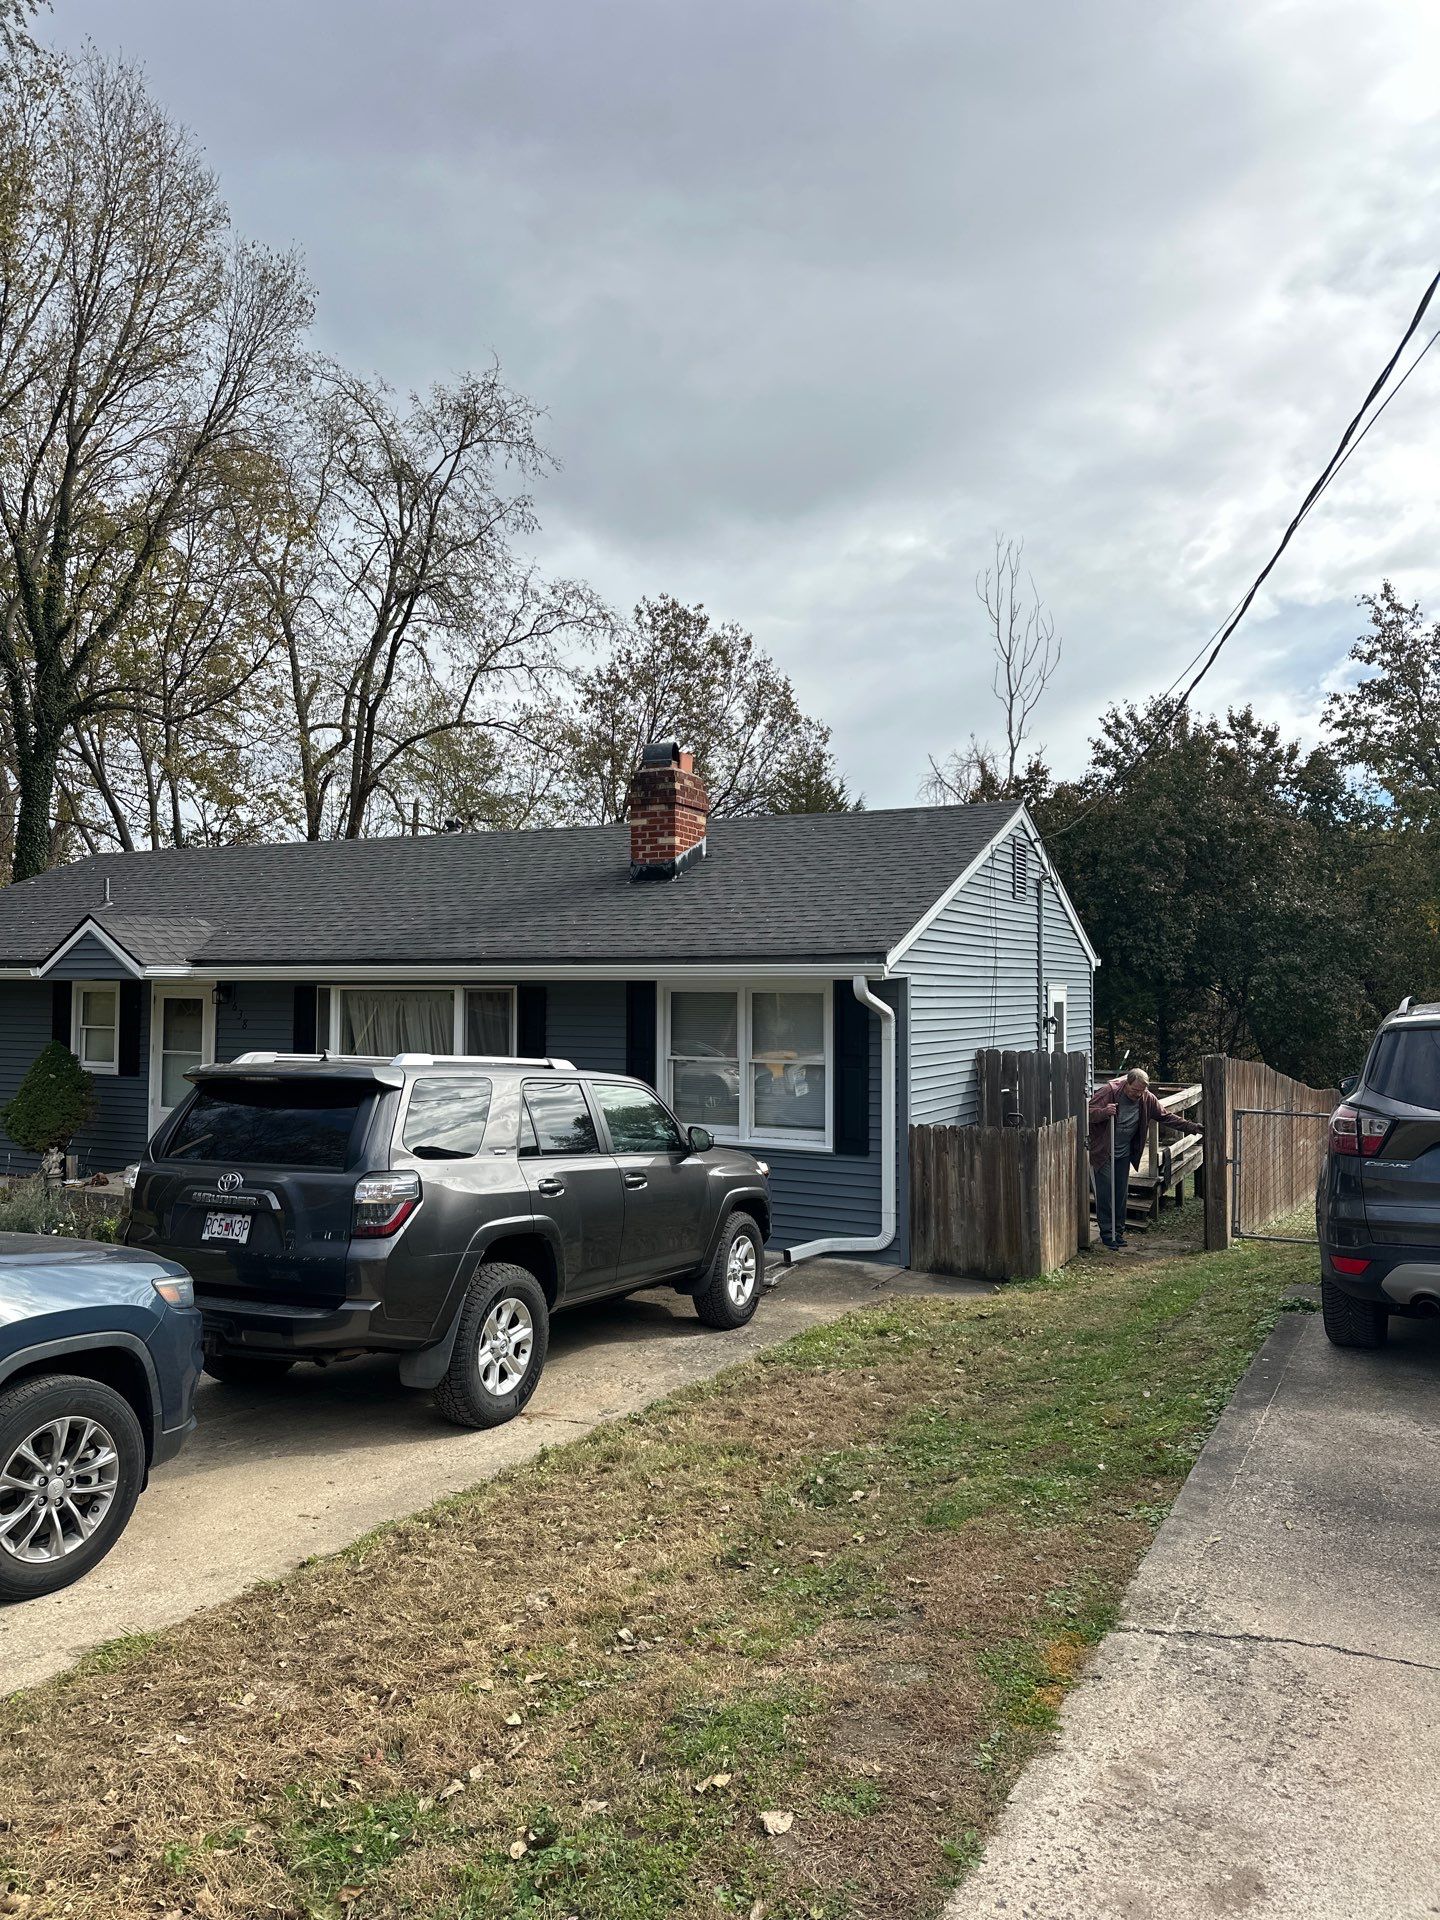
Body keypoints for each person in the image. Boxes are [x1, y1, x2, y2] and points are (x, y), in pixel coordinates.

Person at [1087, 1068, 1202, 1250]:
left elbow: (1166, 1117)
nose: (1137, 1095)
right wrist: (1103, 1112)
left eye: (1141, 1091)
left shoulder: (1146, 1098)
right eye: (1134, 1091)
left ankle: (1118, 1233)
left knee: (1121, 1194)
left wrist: (1192, 1126)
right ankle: (1107, 1235)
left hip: (1124, 1153)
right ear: (1127, 1084)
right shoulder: (1109, 1091)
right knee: (1106, 1193)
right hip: (1104, 1152)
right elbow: (1088, 1112)